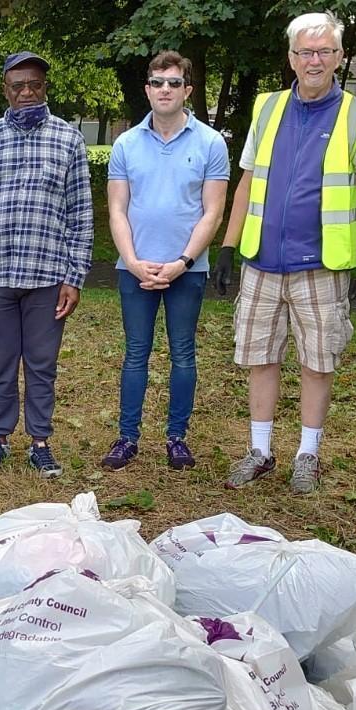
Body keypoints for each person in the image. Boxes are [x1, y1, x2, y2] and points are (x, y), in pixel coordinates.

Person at [214, 11, 356, 495]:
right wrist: (227, 247)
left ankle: (307, 454)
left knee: (318, 361)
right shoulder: (267, 109)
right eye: (305, 51)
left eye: (324, 51)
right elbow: (247, 179)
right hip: (262, 262)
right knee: (260, 357)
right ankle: (261, 450)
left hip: (322, 267)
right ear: (291, 58)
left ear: (339, 57)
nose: (314, 60)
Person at [0, 50, 93, 478]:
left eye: (35, 84)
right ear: (6, 89)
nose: (27, 92)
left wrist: (74, 276)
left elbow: (81, 214)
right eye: (18, 86)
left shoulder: (68, 140)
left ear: (45, 87)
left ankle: (40, 442)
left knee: (41, 364)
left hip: (48, 276)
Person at [101, 51, 229, 472]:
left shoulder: (210, 143)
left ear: (187, 90)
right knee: (135, 353)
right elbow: (117, 210)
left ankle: (177, 437)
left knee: (183, 354)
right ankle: (127, 437)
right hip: (134, 270)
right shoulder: (125, 144)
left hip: (186, 270)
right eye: (157, 82)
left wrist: (182, 261)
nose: (165, 90)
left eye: (174, 83)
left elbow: (212, 212)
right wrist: (134, 262)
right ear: (147, 89)